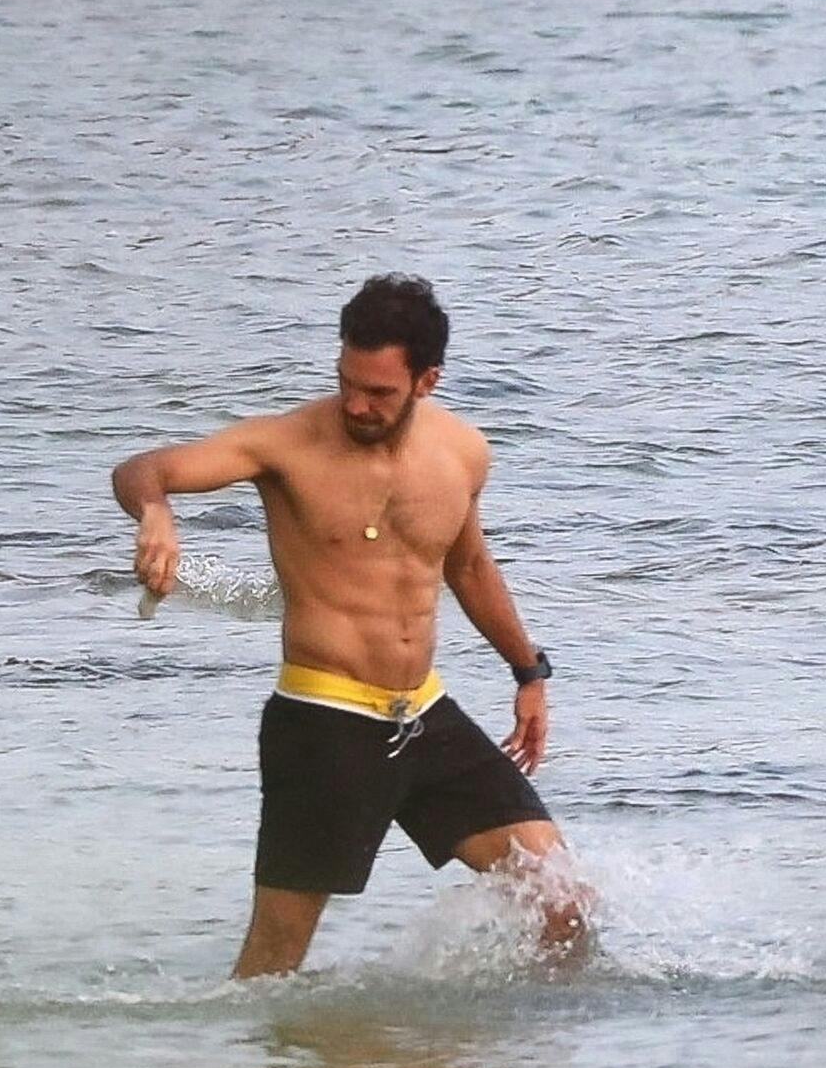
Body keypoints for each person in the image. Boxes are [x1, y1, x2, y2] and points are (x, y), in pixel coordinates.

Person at [111, 274, 590, 978]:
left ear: (427, 380)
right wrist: (156, 513)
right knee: (272, 966)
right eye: (347, 383)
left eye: (379, 393)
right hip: (323, 729)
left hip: (424, 717)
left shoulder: (462, 453)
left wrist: (528, 671)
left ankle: (478, 1066)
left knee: (562, 907)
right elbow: (144, 468)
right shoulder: (286, 445)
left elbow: (470, 567)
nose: (356, 406)